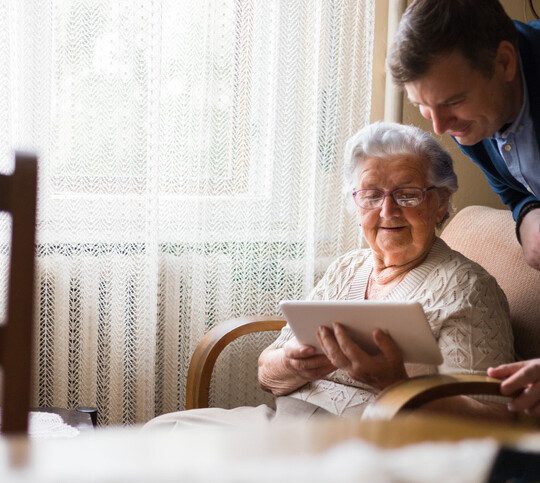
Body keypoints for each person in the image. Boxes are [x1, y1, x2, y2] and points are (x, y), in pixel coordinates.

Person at [144, 122, 513, 430]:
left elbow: (488, 423)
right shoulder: (347, 268)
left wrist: (393, 383)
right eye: (371, 195)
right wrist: (293, 363)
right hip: (283, 424)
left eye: (408, 194)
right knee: (160, 434)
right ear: (355, 204)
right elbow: (266, 374)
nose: (388, 210)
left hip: (369, 442)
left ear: (441, 203)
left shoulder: (468, 290)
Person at [387, 1, 540, 414]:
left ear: (505, 62)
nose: (438, 127)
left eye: (452, 102)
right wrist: (526, 214)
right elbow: (512, 187)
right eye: (423, 107)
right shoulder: (472, 114)